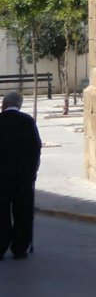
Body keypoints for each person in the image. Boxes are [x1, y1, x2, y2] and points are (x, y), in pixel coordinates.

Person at [0, 91, 41, 260]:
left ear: (4, 104)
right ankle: (20, 247)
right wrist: (33, 171)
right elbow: (36, 148)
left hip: (1, 176)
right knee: (23, 211)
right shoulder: (28, 121)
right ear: (19, 105)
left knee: (1, 211)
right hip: (23, 176)